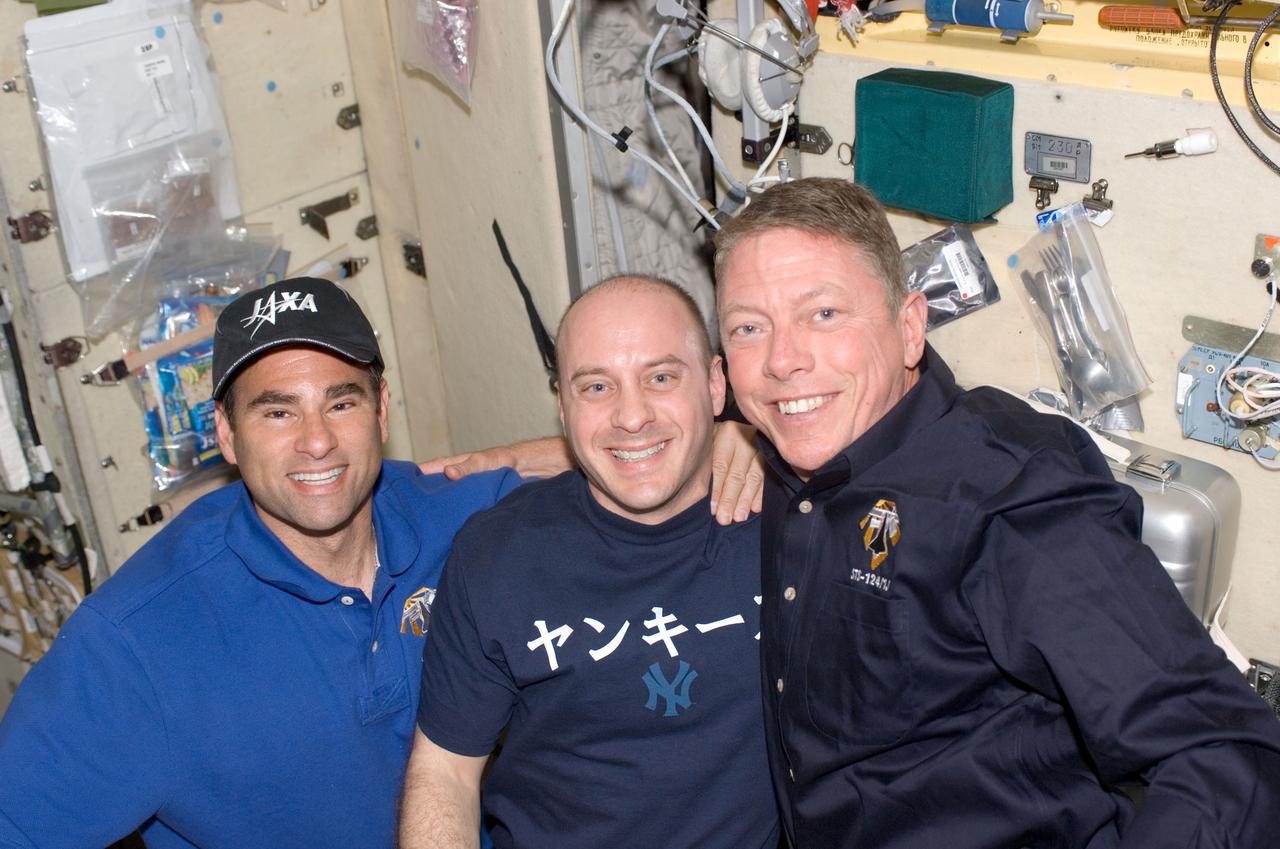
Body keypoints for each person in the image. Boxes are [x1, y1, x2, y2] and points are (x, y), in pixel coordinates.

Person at [0, 276, 762, 849]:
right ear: (225, 437)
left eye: (341, 401)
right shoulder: (135, 642)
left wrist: (734, 435)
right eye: (276, 411)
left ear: (382, 410)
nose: (317, 441)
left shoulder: (457, 515)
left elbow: (615, 456)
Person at [712, 177, 1280, 849]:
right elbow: (631, 432)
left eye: (824, 314)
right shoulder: (789, 443)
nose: (782, 361)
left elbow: (1230, 755)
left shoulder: (1006, 496)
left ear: (909, 326)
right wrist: (727, 432)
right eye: (750, 328)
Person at [399, 276, 779, 849]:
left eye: (661, 377)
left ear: (716, 383)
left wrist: (760, 437)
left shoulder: (788, 520)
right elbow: (446, 774)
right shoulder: (497, 555)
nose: (632, 416)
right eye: (597, 386)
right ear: (562, 405)